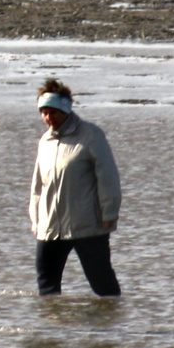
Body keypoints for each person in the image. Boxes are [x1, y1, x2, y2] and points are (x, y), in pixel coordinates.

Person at [28, 78, 122, 297]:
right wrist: (36, 220)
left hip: (87, 225)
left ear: (66, 110)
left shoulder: (91, 135)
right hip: (50, 227)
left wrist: (110, 211)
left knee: (103, 286)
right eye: (44, 112)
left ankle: (114, 326)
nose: (48, 118)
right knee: (47, 288)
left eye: (53, 112)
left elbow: (107, 176)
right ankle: (53, 329)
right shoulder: (45, 141)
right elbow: (37, 185)